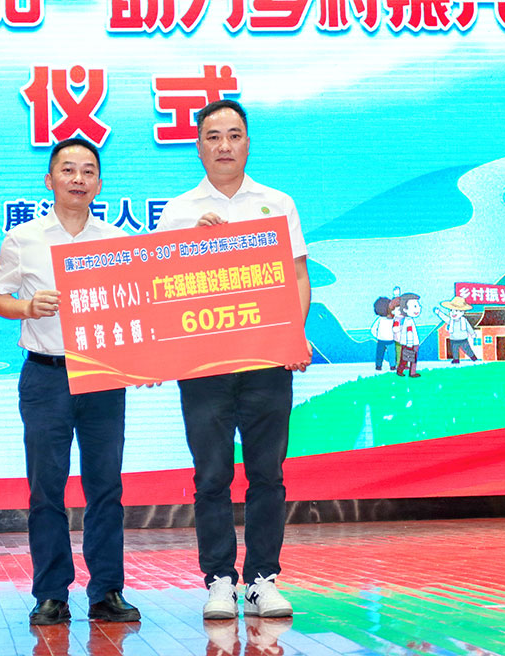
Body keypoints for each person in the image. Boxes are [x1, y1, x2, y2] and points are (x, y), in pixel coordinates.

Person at [155, 99, 311, 620]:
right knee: (211, 476)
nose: (224, 145)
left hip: (267, 362)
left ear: (247, 143)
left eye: (234, 135)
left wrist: (294, 335)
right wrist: (190, 246)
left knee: (268, 474)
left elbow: (297, 277)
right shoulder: (178, 212)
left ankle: (263, 579)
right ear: (198, 146)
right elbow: (162, 290)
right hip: (204, 366)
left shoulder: (277, 203)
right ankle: (219, 580)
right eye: (213, 136)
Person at [0, 137, 141, 626]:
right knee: (46, 489)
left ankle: (107, 591)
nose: (78, 178)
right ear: (49, 179)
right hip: (46, 376)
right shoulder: (23, 239)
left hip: (101, 375)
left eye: (88, 170)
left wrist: (142, 363)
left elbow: (133, 308)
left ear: (99, 183)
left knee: (106, 487)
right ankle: (51, 593)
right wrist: (27, 306)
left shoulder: (115, 240)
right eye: (68, 169)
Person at [433, 296, 479, 364]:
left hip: (463, 338)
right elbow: (444, 318)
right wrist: (439, 313)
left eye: (456, 311)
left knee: (467, 349)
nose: (453, 313)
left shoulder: (464, 320)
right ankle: (456, 360)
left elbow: (468, 327)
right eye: (451, 310)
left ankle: (473, 358)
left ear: (462, 312)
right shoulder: (450, 320)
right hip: (453, 339)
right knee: (454, 350)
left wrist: (472, 333)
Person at [392, 292, 422, 378]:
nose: (418, 308)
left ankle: (401, 371)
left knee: (405, 358)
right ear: (405, 309)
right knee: (411, 358)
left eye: (418, 306)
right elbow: (409, 332)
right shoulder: (409, 321)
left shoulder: (408, 320)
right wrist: (410, 343)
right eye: (415, 306)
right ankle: (411, 372)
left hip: (408, 343)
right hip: (411, 343)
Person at [370, 296, 396, 371]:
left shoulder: (391, 319)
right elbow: (373, 329)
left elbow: (373, 330)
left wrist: (378, 336)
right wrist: (378, 336)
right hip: (386, 340)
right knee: (386, 354)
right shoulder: (381, 320)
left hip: (386, 340)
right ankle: (384, 366)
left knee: (388, 353)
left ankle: (389, 366)